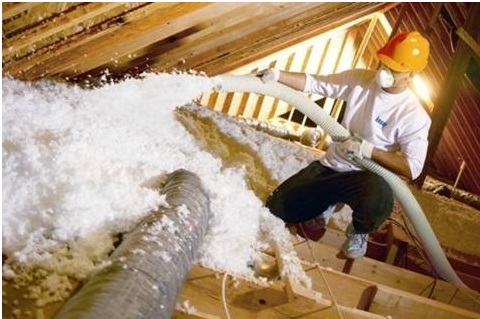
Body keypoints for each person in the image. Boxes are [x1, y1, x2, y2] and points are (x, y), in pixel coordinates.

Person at [258, 31, 432, 259]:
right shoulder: (361, 80)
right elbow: (316, 83)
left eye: (394, 70)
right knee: (276, 207)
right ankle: (326, 204)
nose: (384, 72)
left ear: (410, 75)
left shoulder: (413, 115)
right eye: (384, 64)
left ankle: (359, 231)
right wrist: (278, 74)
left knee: (379, 195)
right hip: (330, 166)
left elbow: (412, 168)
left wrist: (369, 150)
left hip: (364, 176)